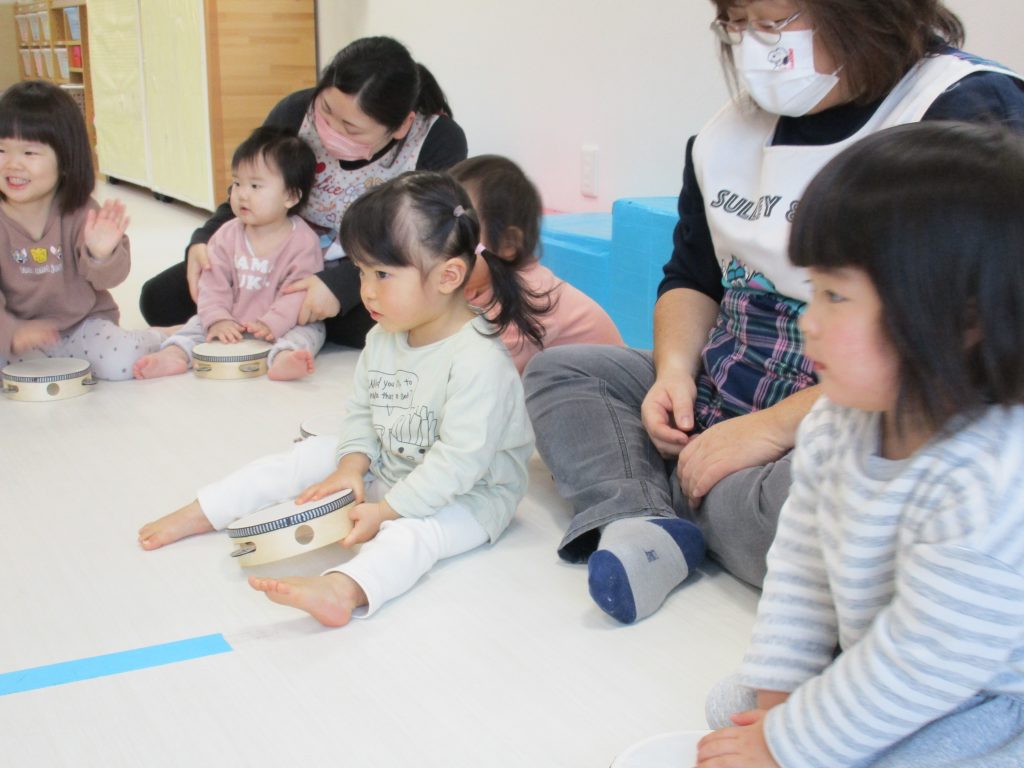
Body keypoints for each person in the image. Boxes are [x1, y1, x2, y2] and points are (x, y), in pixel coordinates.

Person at [522, 0, 1024, 625]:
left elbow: (965, 340)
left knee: (848, 500)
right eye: (739, 25)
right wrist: (674, 374)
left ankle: (653, 496)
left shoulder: (966, 111)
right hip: (727, 382)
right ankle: (647, 518)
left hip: (845, 417)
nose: (755, 45)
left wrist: (771, 429)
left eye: (773, 23)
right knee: (563, 371)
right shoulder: (724, 135)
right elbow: (692, 276)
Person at [694, 121, 1024, 768]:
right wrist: (778, 706)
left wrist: (787, 744)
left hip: (980, 697)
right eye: (812, 291)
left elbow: (924, 663)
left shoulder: (989, 480)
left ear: (962, 321)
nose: (809, 322)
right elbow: (801, 574)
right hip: (879, 652)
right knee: (733, 707)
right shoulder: (836, 422)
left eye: (836, 296)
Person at [139, 171, 537, 627]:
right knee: (307, 456)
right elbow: (364, 411)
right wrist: (351, 466)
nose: (366, 290)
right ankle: (207, 510)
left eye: (382, 274)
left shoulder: (479, 360)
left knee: (413, 535)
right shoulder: (386, 334)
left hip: (473, 495)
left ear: (448, 276)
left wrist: (386, 511)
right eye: (362, 272)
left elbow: (459, 463)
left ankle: (342, 590)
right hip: (395, 465)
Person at [137, 36, 468, 350]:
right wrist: (205, 239)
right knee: (159, 299)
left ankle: (282, 316)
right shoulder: (295, 111)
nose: (331, 132)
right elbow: (249, 186)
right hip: (271, 259)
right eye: (326, 111)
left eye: (351, 128)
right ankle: (283, 317)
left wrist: (340, 286)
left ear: (401, 126)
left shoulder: (436, 140)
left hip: (366, 273)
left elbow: (424, 238)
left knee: (394, 317)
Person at [0, 80, 164, 380]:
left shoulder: (81, 211)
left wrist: (101, 254)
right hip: (16, 335)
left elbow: (109, 278)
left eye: (29, 153)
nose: (12, 164)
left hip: (82, 326)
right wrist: (13, 331)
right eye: (1, 150)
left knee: (122, 363)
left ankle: (163, 336)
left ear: (65, 159)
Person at [133, 126, 325, 381]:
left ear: (290, 196)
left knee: (311, 331)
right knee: (196, 324)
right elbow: (212, 284)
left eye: (255, 186)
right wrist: (218, 319)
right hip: (231, 315)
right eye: (237, 183)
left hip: (282, 323)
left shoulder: (303, 241)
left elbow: (299, 293)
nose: (241, 194)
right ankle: (174, 355)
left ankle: (284, 358)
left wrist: (271, 323)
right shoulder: (226, 234)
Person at [451, 154, 624, 374]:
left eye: (460, 231)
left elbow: (473, 372)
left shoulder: (528, 299)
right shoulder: (477, 283)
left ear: (508, 244)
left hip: (606, 389)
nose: (439, 245)